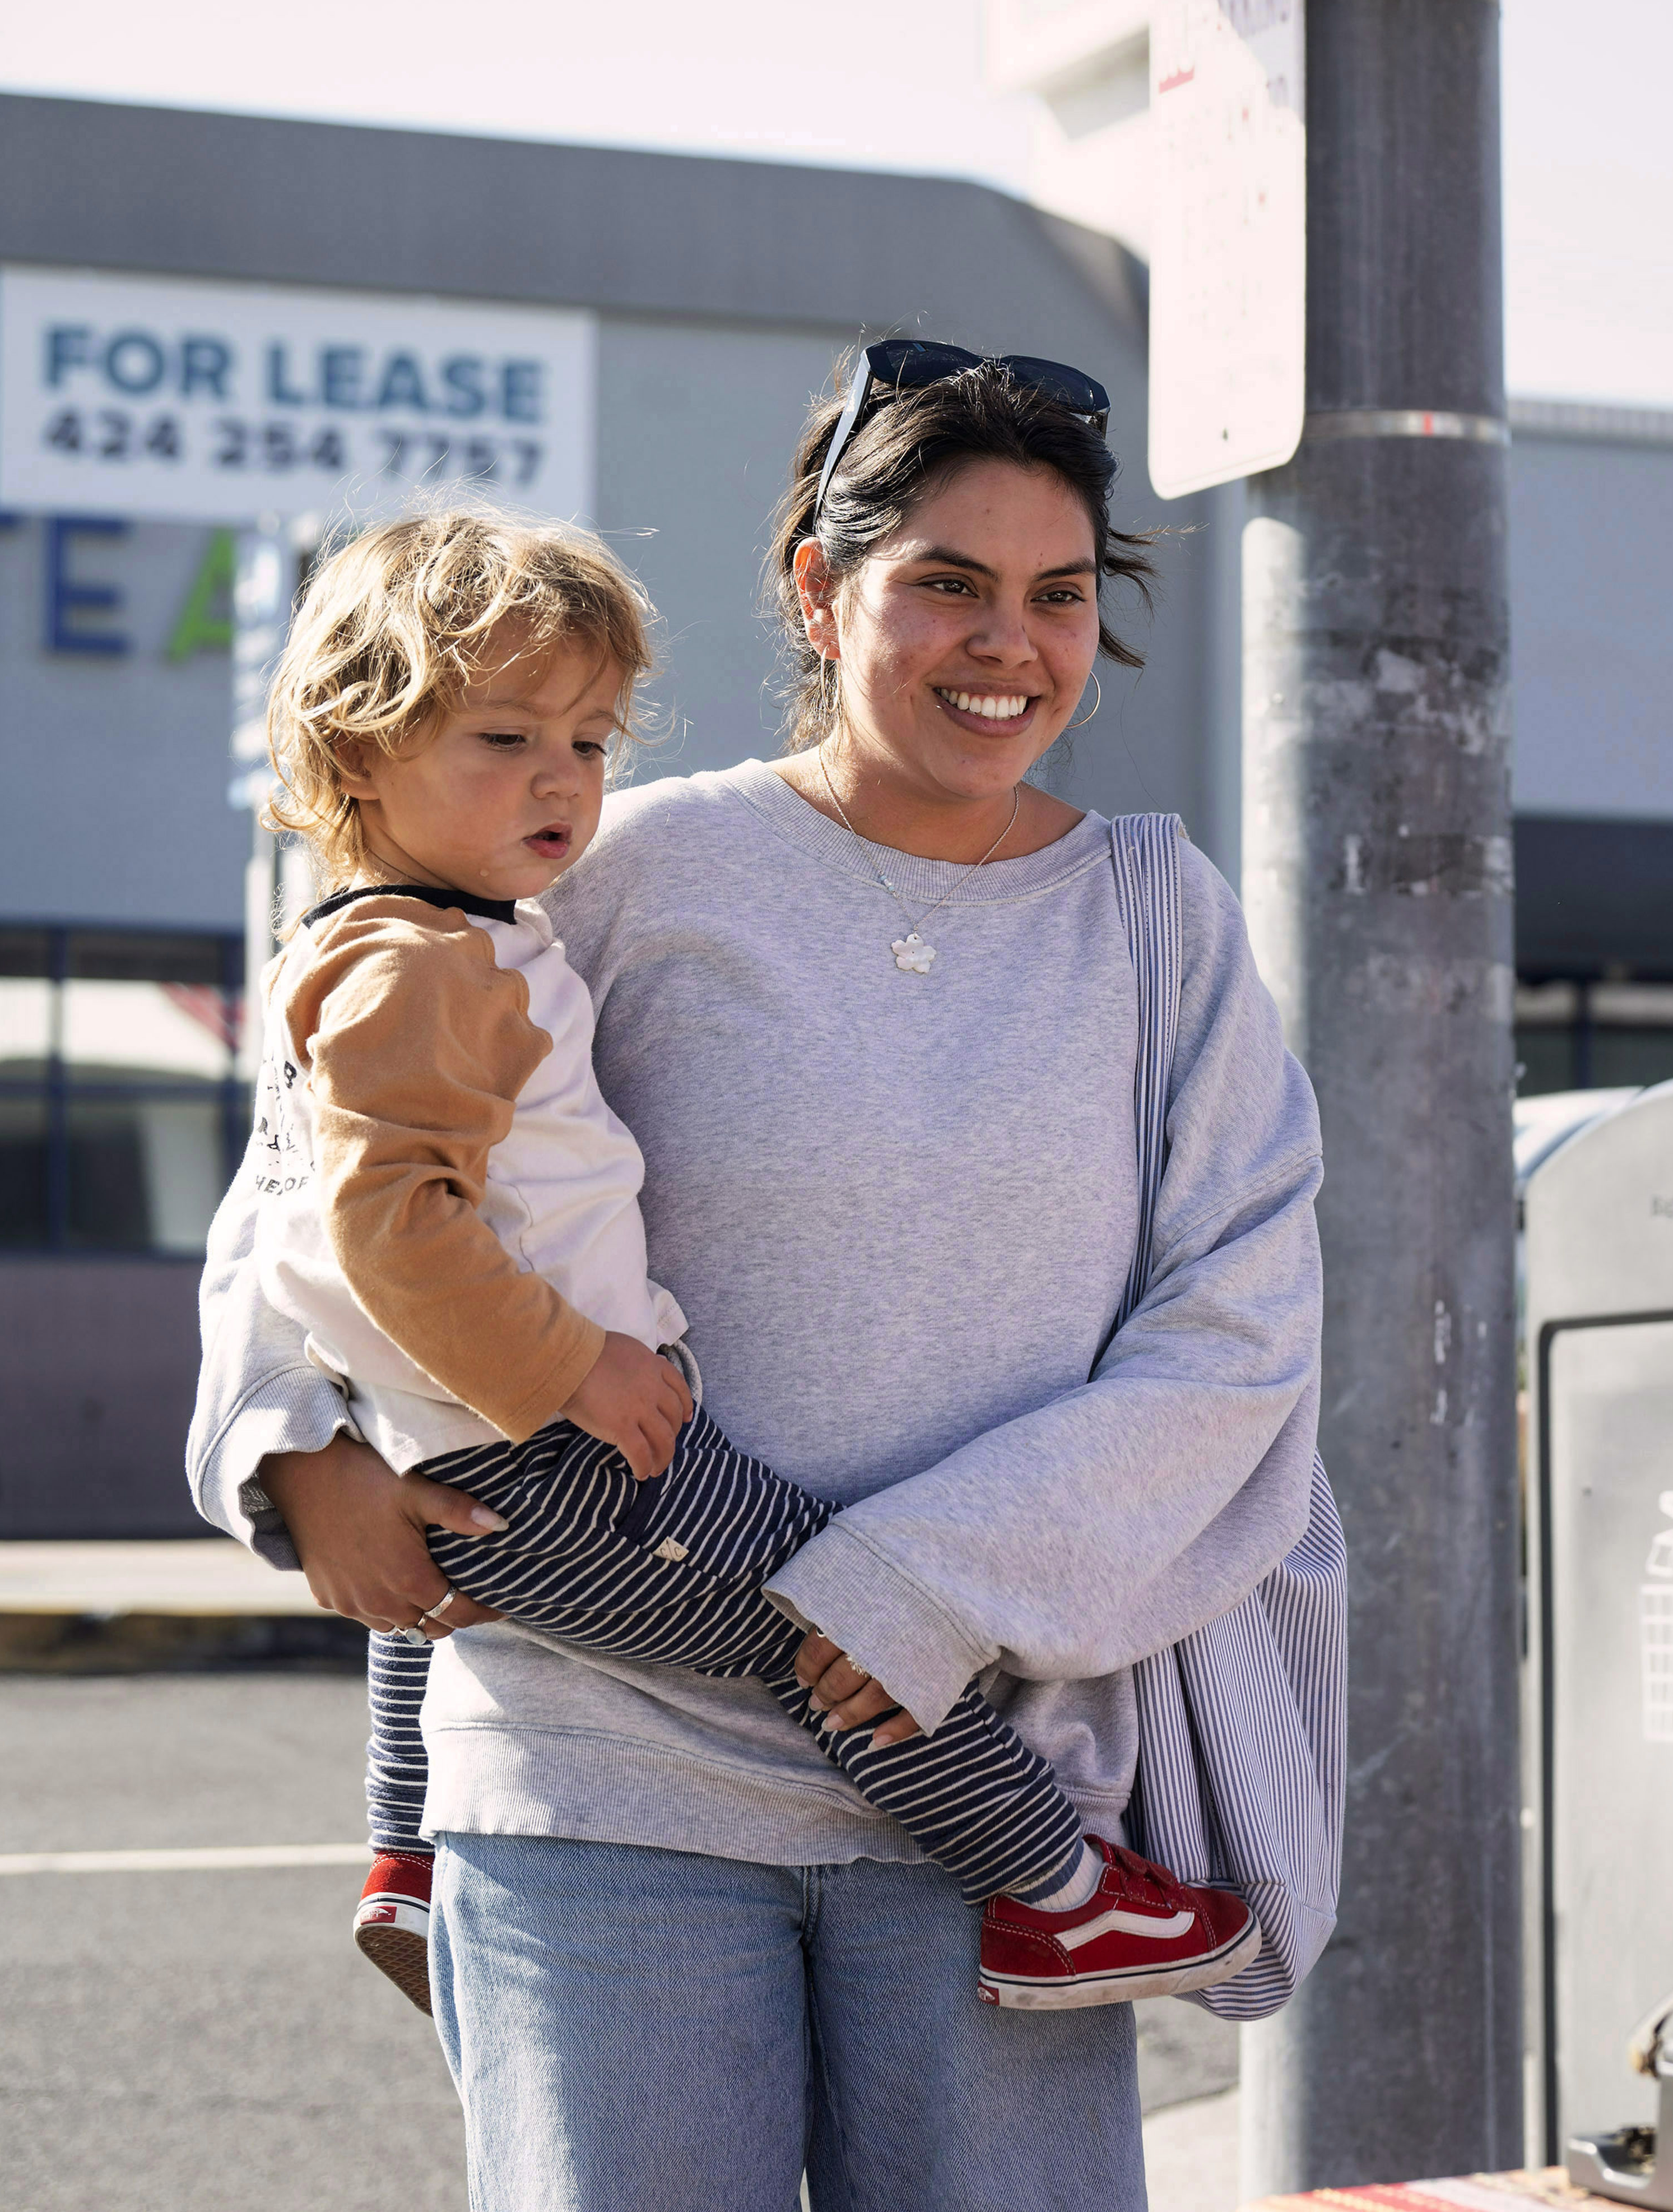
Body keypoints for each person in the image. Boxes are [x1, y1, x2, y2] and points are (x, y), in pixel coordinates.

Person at [191, 342, 1335, 2211]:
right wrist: (284, 1446)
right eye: (946, 583)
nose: (1009, 645)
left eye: (1057, 597)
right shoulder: (610, 864)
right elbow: (313, 1165)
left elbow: (1239, 1334)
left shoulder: (1156, 915)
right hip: (592, 1765)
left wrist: (907, 1583)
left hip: (982, 1770)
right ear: (820, 586)